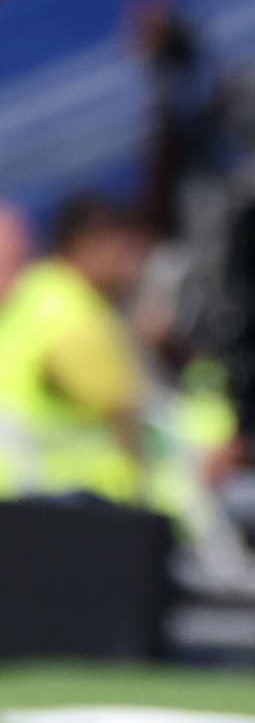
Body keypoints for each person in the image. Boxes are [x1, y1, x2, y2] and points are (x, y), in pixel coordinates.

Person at [0, 195, 150, 502]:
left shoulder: (38, 293)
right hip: (69, 504)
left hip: (27, 501)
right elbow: (121, 409)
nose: (129, 262)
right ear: (88, 244)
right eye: (120, 248)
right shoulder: (73, 313)